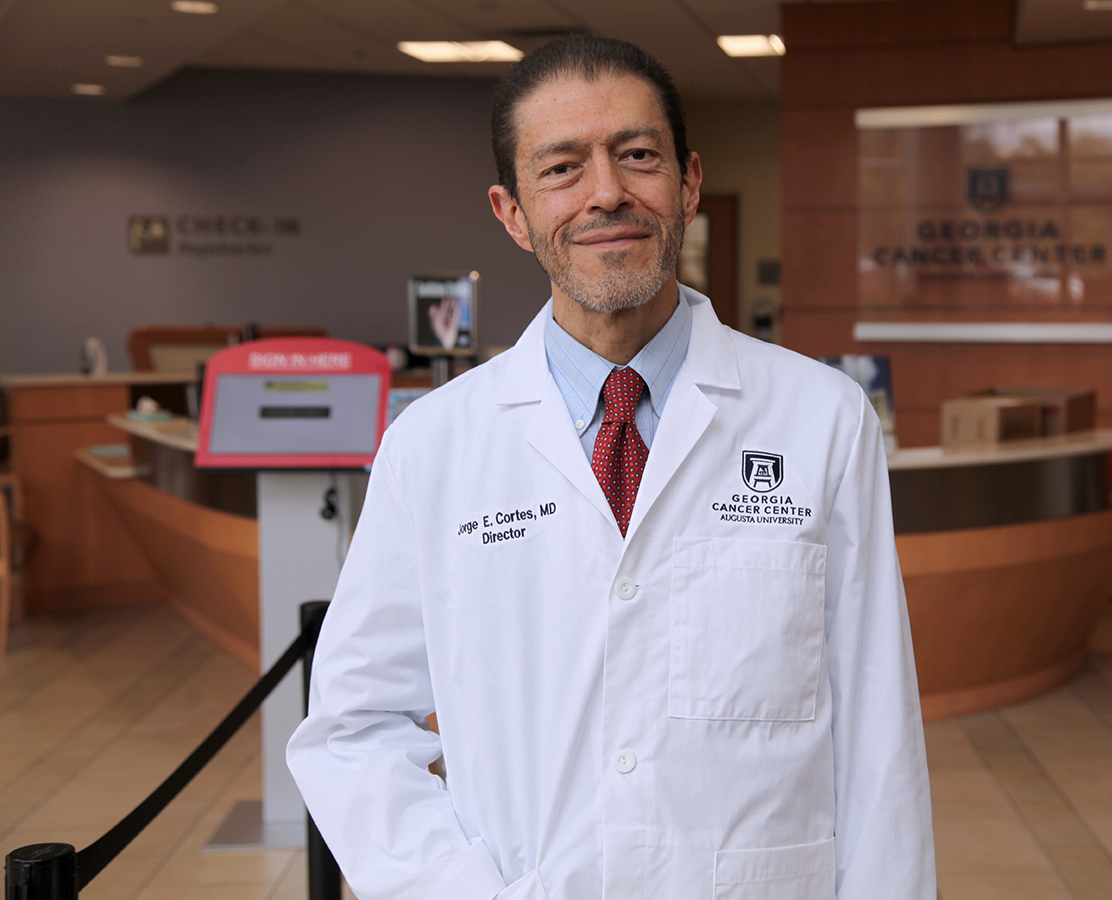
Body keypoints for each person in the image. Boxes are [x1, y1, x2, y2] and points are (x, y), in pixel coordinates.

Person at [287, 35, 934, 900]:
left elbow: (875, 728)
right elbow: (353, 728)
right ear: (511, 213)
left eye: (637, 156)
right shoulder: (435, 443)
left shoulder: (820, 418)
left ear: (688, 183)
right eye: (561, 168)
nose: (606, 194)